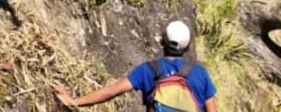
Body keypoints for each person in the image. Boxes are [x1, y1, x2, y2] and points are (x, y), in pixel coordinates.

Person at [53, 21, 218, 111]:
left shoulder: (148, 70)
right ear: (188, 47)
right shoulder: (200, 73)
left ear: (162, 41)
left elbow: (110, 92)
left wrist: (73, 101)